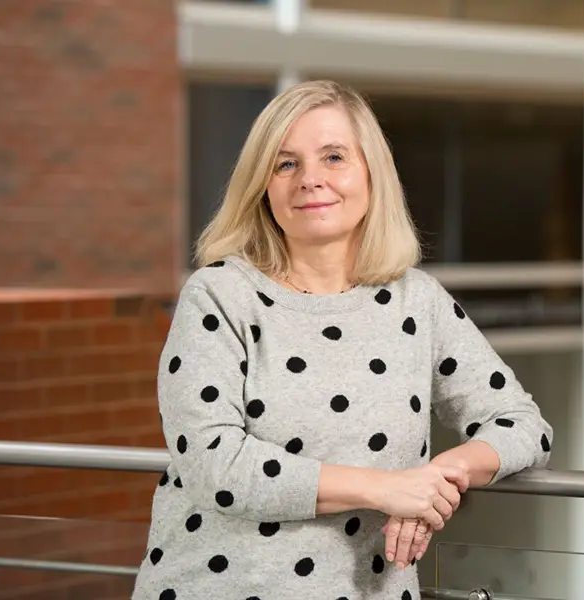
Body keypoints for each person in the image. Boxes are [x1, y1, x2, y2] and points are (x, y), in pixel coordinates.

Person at [131, 79, 553, 600]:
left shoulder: (416, 301)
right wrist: (387, 489)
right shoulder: (219, 295)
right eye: (286, 164)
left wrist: (442, 476)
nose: (310, 180)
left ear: (372, 174)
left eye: (334, 157)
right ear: (262, 185)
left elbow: (524, 423)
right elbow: (213, 465)